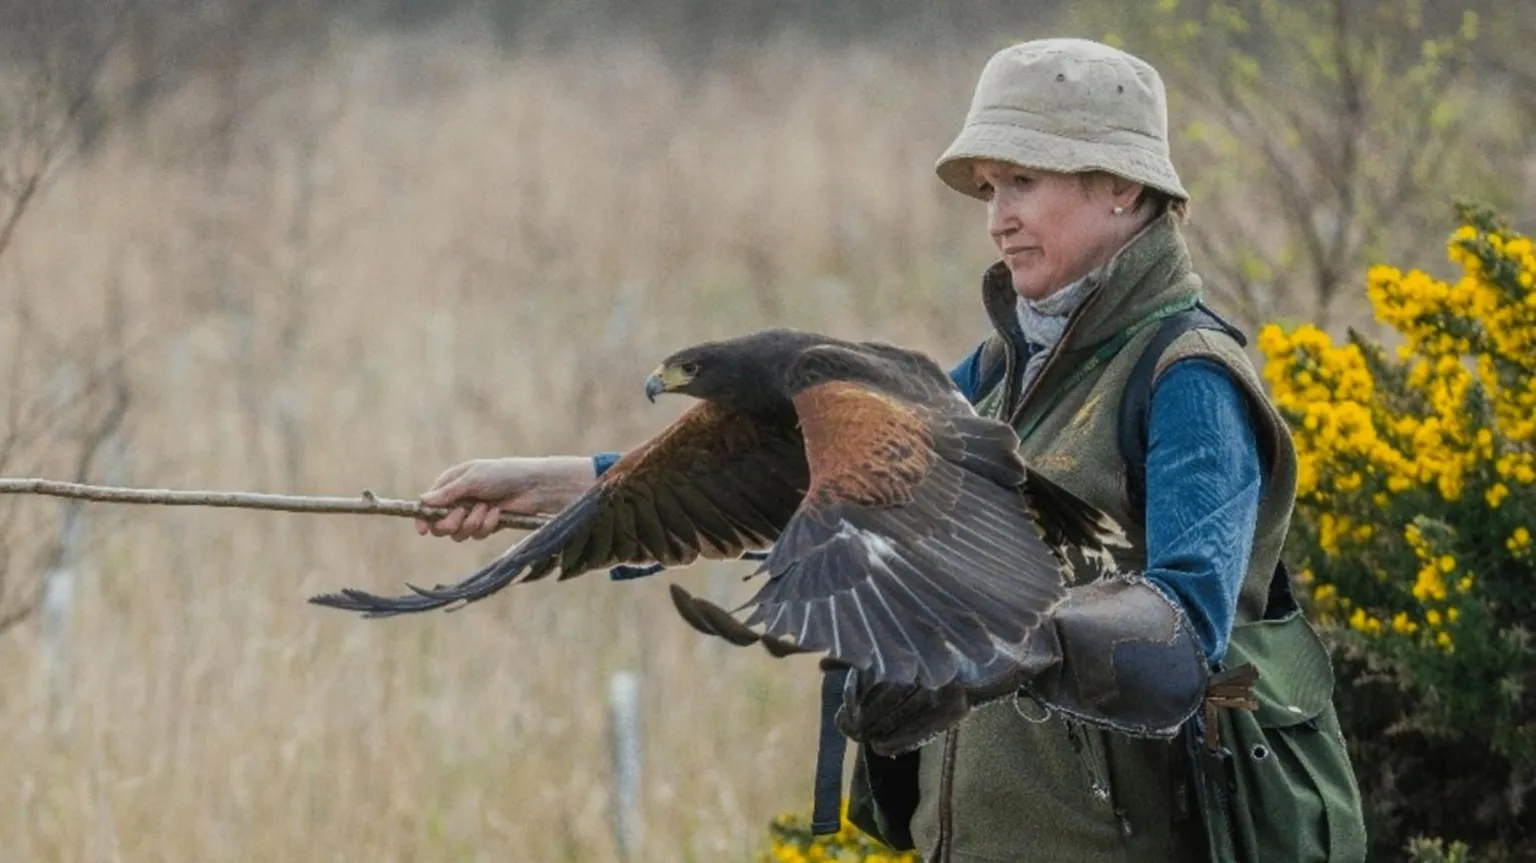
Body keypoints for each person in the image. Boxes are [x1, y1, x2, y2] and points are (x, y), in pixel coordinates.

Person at [412, 38, 1333, 862]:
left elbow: (1187, 637)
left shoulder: (1188, 378)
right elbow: (835, 482)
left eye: (1024, 183)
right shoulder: (1001, 368)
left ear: (1122, 187)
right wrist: (568, 486)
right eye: (989, 189)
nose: (997, 217)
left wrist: (1006, 652)